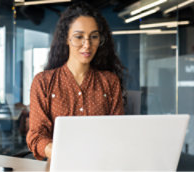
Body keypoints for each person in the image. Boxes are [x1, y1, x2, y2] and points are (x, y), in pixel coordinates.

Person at [26, 2, 126, 160]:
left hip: (101, 165)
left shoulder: (110, 82)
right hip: (59, 166)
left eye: (93, 37)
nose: (87, 45)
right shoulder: (43, 82)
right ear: (66, 38)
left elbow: (118, 132)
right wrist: (59, 152)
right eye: (79, 37)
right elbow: (36, 136)